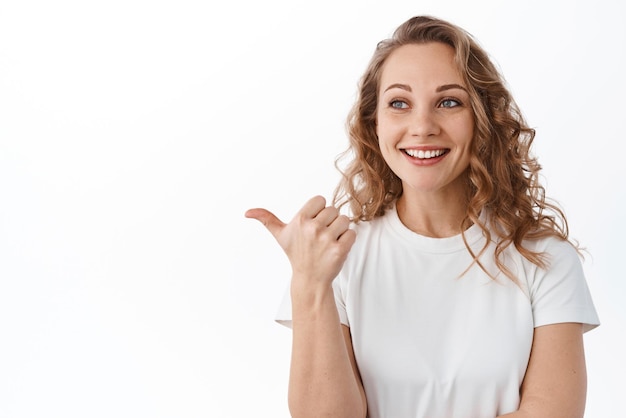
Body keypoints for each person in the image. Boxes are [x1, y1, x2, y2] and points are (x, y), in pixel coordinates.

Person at [245, 15, 599, 418]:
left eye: (449, 102)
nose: (422, 126)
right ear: (374, 123)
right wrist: (309, 283)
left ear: (484, 119)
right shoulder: (338, 260)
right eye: (399, 103)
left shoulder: (545, 258)